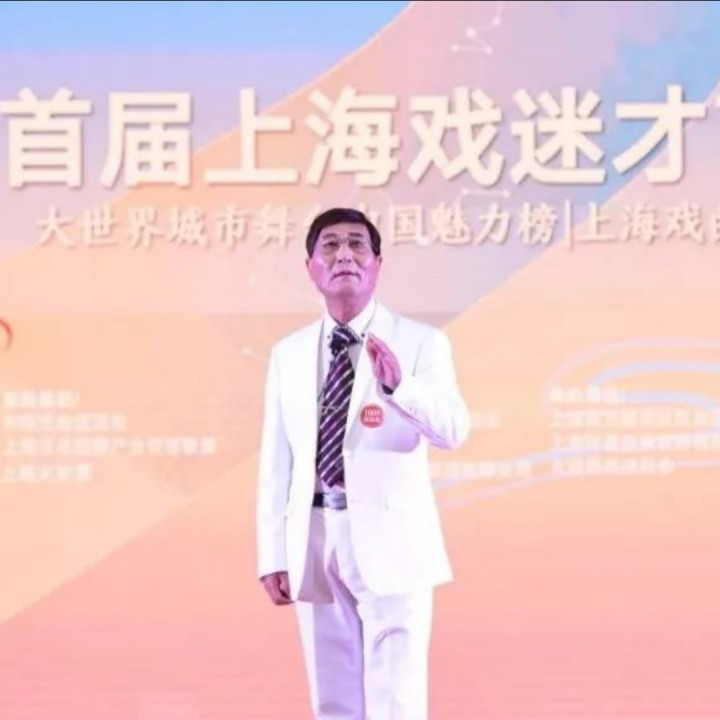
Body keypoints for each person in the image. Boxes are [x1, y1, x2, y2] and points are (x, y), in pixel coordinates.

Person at [256, 207, 471, 720]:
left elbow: (452, 430)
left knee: (396, 698)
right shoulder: (288, 353)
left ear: (378, 263)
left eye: (357, 244)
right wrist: (272, 552)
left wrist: (400, 387)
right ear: (310, 267)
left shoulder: (421, 342)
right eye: (329, 246)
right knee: (332, 698)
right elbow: (276, 459)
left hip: (392, 540)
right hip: (314, 535)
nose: (344, 255)